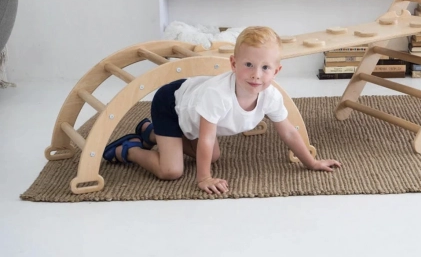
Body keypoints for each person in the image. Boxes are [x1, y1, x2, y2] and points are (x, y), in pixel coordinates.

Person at [102, 26, 341, 194]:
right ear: (234, 64)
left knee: (213, 157)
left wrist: (311, 162)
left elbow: (288, 132)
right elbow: (206, 138)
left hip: (193, 112)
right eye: (248, 65)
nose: (256, 74)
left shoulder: (270, 95)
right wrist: (204, 177)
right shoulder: (219, 95)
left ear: (276, 71)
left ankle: (151, 133)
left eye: (265, 67)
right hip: (171, 105)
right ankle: (130, 149)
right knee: (171, 170)